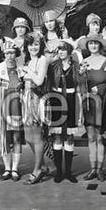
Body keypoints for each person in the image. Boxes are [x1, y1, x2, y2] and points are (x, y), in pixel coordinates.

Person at [77, 34, 106, 182]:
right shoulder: (84, 62)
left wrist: (99, 88)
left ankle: (100, 169)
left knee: (100, 138)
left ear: (100, 46)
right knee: (91, 137)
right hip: (88, 104)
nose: (93, 46)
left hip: (102, 104)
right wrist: (81, 78)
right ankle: (92, 169)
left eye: (96, 43)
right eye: (91, 43)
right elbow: (80, 85)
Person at [43, 40, 80, 183]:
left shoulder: (76, 66)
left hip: (71, 99)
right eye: (59, 49)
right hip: (56, 99)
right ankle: (59, 171)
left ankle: (68, 172)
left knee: (69, 136)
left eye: (64, 49)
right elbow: (48, 84)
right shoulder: (53, 66)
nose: (61, 52)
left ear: (69, 52)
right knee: (57, 136)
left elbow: (80, 82)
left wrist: (82, 73)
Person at [0, 43, 26, 181]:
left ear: (16, 54)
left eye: (12, 53)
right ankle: (7, 168)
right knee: (4, 138)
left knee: (16, 138)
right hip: (1, 108)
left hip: (16, 107)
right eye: (7, 53)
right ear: (3, 55)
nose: (10, 56)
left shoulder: (22, 71)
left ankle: (15, 168)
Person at [18, 35, 52, 184]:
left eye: (36, 44)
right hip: (26, 97)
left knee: (37, 137)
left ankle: (37, 169)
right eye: (30, 45)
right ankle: (43, 165)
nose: (33, 47)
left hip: (37, 99)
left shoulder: (42, 60)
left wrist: (27, 71)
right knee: (27, 137)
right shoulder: (28, 60)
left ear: (41, 46)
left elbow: (39, 81)